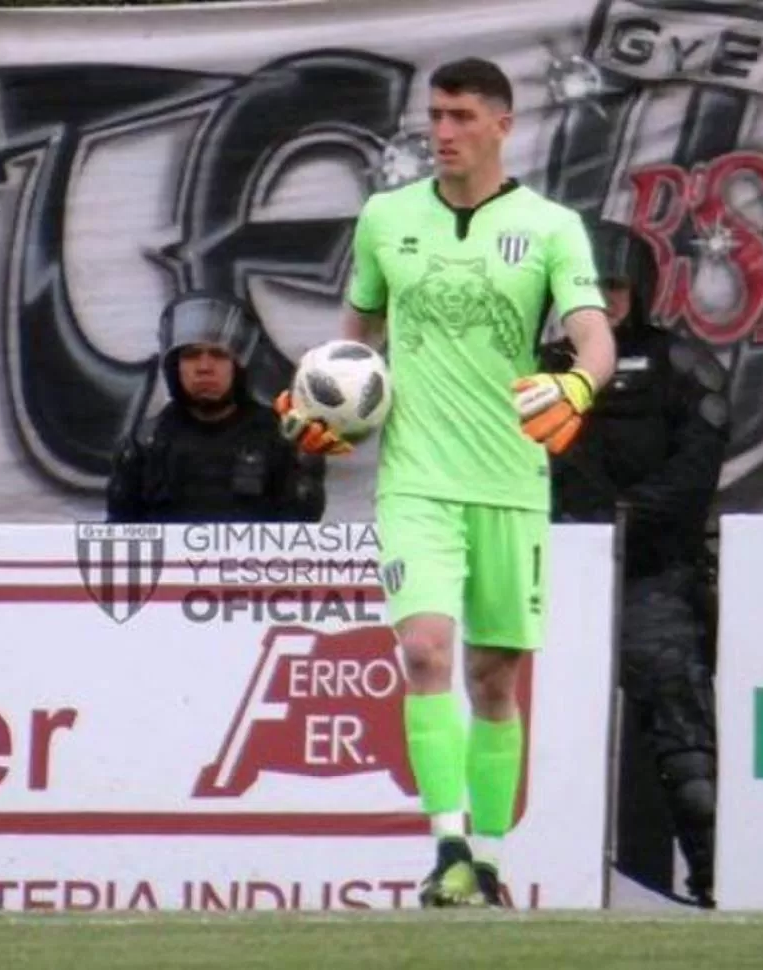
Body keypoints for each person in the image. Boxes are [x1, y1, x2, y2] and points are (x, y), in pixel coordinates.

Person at [275, 58, 616, 907]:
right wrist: (325, 405)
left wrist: (577, 384)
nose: (444, 130)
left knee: (494, 678)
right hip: (416, 479)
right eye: (435, 115)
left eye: (462, 115)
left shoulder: (550, 227)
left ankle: (489, 864)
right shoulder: (387, 218)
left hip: (510, 480)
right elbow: (351, 347)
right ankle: (446, 848)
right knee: (425, 648)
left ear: (503, 124)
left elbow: (594, 338)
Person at [541, 223, 729, 908]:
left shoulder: (683, 365)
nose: (602, 299)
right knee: (530, 729)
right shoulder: (537, 369)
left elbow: (699, 466)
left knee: (684, 738)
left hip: (652, 577)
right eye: (586, 287)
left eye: (613, 286)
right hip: (552, 583)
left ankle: (713, 882)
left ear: (639, 290)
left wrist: (631, 516)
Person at [107, 292, 326, 524]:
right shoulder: (145, 443)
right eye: (191, 355)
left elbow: (301, 543)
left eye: (218, 355)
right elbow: (119, 539)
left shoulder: (281, 440)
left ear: (239, 365)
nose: (204, 367)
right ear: (175, 366)